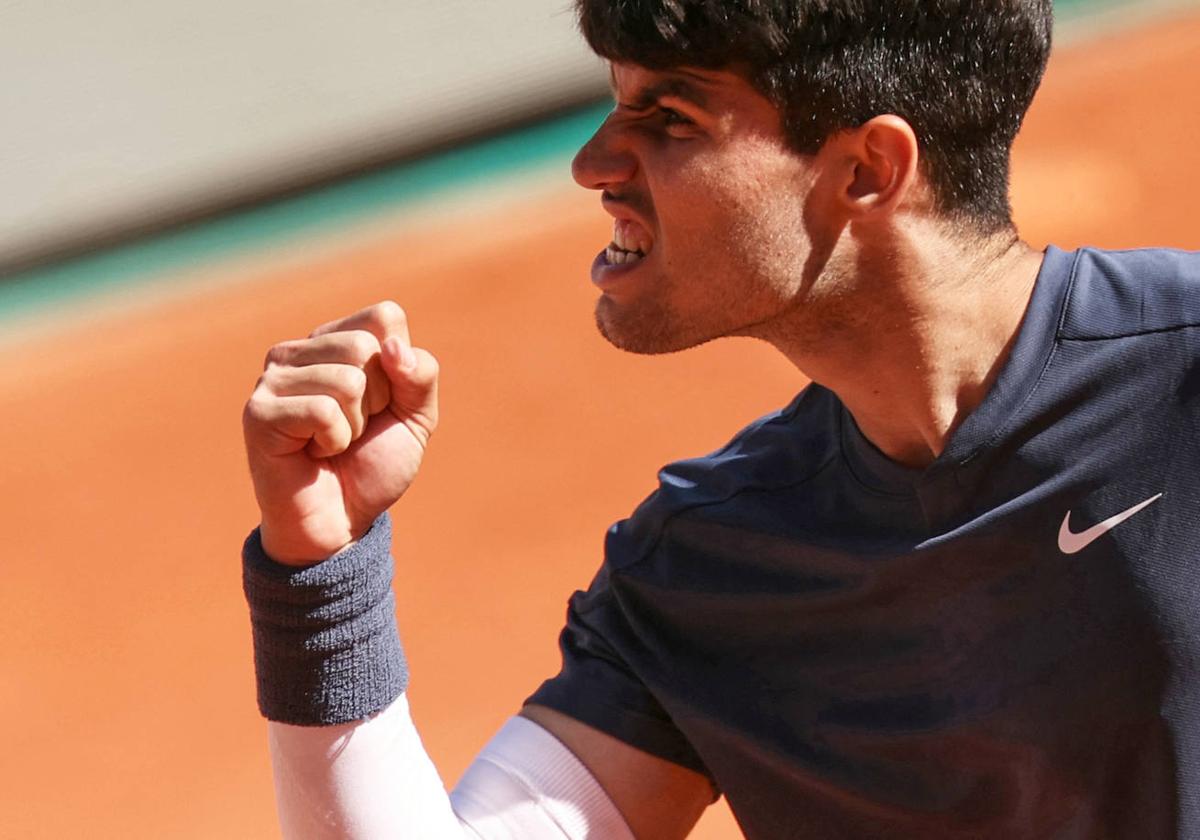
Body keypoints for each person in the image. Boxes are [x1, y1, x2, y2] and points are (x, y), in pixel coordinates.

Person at [240, 1, 1200, 837]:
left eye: (670, 116)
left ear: (868, 169)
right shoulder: (707, 570)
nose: (591, 165)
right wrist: (323, 568)